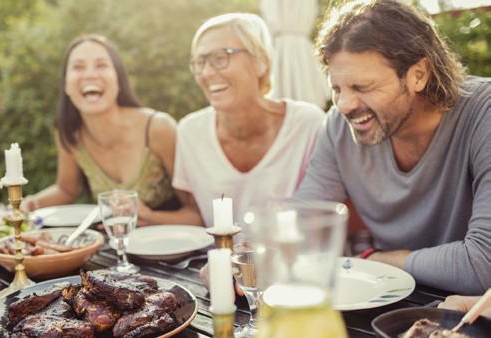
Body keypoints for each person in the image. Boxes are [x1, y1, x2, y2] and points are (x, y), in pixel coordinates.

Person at [295, 0, 491, 294]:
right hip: (382, 301)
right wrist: (248, 257)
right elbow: (304, 222)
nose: (345, 105)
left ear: (418, 75)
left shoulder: (483, 113)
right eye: (337, 89)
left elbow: (483, 265)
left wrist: (384, 261)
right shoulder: (338, 125)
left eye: (363, 87)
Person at [145, 13, 326, 228]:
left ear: (260, 62)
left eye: (220, 58)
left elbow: (327, 215)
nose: (206, 72)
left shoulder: (308, 124)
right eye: (199, 62)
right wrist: (145, 216)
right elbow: (197, 215)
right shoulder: (190, 132)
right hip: (217, 262)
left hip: (293, 260)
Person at [21, 34, 182, 217]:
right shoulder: (70, 133)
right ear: (66, 84)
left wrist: (151, 218)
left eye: (101, 65)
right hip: (113, 243)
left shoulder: (159, 128)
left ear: (118, 79)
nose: (90, 74)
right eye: (78, 67)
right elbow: (66, 190)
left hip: (177, 241)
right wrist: (28, 205)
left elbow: (198, 213)